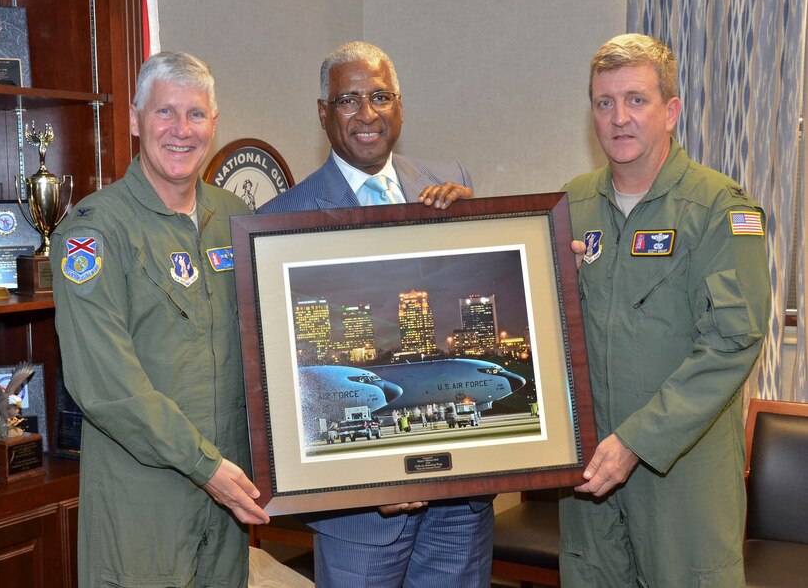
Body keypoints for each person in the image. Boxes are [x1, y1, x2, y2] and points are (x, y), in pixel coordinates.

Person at [258, 41, 493, 588]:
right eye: (348, 100)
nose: (367, 114)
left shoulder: (450, 184)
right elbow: (286, 384)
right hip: (357, 518)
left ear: (401, 106)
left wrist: (482, 226)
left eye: (380, 97)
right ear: (323, 114)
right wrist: (367, 479)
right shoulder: (278, 223)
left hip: (460, 502)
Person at [51, 51, 271, 587]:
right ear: (133, 120)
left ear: (214, 124)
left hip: (228, 501)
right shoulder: (94, 232)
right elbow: (107, 385)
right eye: (164, 113)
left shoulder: (237, 221)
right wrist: (206, 469)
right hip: (143, 502)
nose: (181, 131)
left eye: (195, 115)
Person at [560, 34, 771, 587]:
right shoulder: (571, 205)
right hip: (590, 473)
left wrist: (637, 441)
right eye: (604, 103)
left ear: (671, 111)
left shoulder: (719, 208)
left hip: (680, 470)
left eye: (636, 100)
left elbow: (732, 342)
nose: (619, 118)